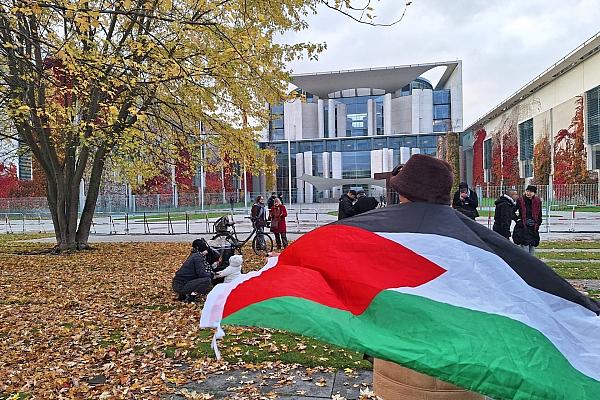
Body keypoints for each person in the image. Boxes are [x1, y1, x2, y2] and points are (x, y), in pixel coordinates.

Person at [372, 154, 484, 400]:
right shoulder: (474, 241)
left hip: (400, 368)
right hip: (464, 370)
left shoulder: (388, 238)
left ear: (404, 193)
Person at [512, 185, 543, 255]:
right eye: (527, 191)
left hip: (533, 228)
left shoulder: (537, 201)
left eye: (531, 192)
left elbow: (539, 214)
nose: (528, 193)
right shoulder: (520, 200)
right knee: (524, 249)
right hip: (523, 228)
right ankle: (525, 264)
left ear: (534, 193)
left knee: (532, 248)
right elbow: (512, 211)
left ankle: (532, 264)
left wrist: (537, 224)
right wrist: (518, 220)